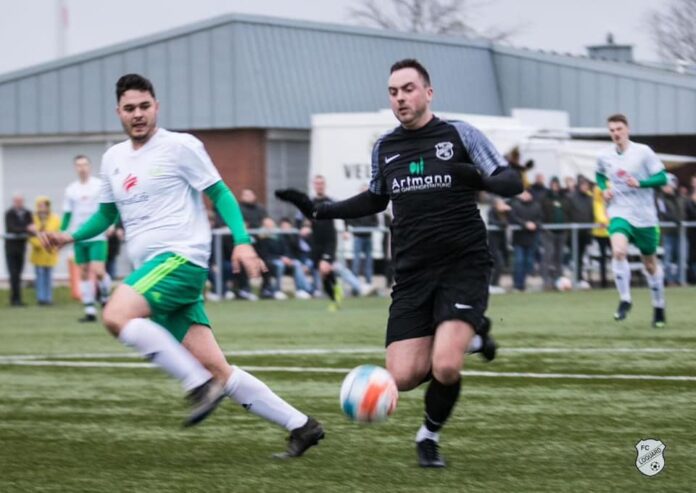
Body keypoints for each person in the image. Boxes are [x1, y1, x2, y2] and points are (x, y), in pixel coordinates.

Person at [41, 73, 323, 457]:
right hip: (161, 273)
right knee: (220, 370)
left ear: (156, 106)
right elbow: (106, 216)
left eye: (144, 106)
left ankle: (196, 384)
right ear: (118, 112)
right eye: (129, 108)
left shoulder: (180, 146)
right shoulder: (113, 159)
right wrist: (69, 236)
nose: (138, 114)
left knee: (115, 315)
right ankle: (302, 426)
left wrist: (242, 242)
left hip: (179, 259)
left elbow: (220, 193)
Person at [276, 59, 521, 467]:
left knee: (444, 365)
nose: (400, 98)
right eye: (393, 92)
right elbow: (374, 199)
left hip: (463, 263)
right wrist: (320, 210)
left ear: (428, 92)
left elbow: (511, 181)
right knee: (404, 377)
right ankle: (475, 337)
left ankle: (428, 437)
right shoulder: (385, 147)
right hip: (412, 273)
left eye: (408, 89)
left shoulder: (460, 134)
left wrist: (478, 179)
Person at [596, 113, 668, 327]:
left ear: (627, 129)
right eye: (612, 130)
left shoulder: (643, 152)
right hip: (620, 211)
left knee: (650, 265)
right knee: (618, 251)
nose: (615, 133)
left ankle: (659, 306)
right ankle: (625, 300)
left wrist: (641, 183)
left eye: (619, 129)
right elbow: (600, 175)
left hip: (645, 216)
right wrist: (604, 189)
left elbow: (663, 177)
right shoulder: (604, 155)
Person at [61, 155, 113, 321]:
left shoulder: (98, 185)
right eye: (78, 165)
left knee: (99, 271)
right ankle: (90, 310)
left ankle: (105, 298)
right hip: (78, 236)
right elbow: (67, 214)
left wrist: (111, 225)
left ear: (90, 167)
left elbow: (110, 208)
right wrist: (61, 232)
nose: (82, 168)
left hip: (97, 236)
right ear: (75, 168)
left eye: (84, 165)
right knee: (83, 272)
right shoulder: (71, 189)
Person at [509, 189, 543, 291]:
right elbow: (513, 218)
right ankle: (517, 284)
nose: (524, 195)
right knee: (519, 262)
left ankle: (522, 284)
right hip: (519, 239)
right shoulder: (515, 205)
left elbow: (540, 219)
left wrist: (534, 224)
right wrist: (525, 224)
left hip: (531, 239)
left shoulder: (537, 206)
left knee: (528, 262)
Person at [29, 196, 61, 305]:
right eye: (41, 205)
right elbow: (31, 236)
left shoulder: (55, 218)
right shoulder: (33, 219)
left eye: (45, 205)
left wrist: (54, 245)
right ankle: (41, 298)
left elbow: (58, 233)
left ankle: (48, 298)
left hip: (50, 252)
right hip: (38, 253)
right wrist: (39, 244)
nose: (43, 208)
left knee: (49, 276)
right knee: (40, 276)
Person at [346, 184, 378, 288]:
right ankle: (355, 286)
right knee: (356, 261)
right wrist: (358, 227)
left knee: (369, 261)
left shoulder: (372, 206)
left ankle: (369, 284)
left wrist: (368, 227)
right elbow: (349, 219)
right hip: (358, 237)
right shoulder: (355, 205)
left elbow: (375, 222)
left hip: (368, 237)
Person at [540, 177, 569, 290]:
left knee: (559, 257)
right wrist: (544, 227)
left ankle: (558, 280)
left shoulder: (564, 198)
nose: (555, 187)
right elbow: (541, 213)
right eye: (553, 184)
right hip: (548, 231)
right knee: (548, 255)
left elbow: (568, 212)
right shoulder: (545, 198)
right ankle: (546, 280)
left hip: (562, 232)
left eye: (557, 184)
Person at [4, 193, 33, 306]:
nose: (19, 203)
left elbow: (32, 227)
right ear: (14, 202)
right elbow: (12, 228)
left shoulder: (27, 213)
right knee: (13, 274)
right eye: (17, 201)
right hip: (11, 249)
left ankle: (18, 300)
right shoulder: (9, 213)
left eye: (20, 201)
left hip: (21, 247)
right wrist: (25, 228)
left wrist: (25, 229)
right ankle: (14, 299)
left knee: (19, 273)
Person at [566, 176, 594, 289]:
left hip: (585, 232)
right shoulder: (571, 197)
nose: (585, 187)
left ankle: (579, 278)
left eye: (586, 185)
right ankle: (574, 278)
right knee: (574, 256)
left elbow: (591, 214)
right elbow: (568, 213)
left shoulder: (589, 198)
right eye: (583, 185)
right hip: (573, 233)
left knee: (581, 256)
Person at [656, 174, 683, 285]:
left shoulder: (678, 198)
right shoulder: (660, 198)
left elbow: (682, 212)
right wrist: (675, 220)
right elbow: (663, 213)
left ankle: (679, 279)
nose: (669, 187)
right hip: (667, 232)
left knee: (679, 257)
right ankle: (668, 279)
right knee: (667, 257)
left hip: (679, 232)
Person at [592, 181, 611, 288]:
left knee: (616, 256)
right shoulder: (597, 203)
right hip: (600, 234)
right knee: (603, 257)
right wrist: (608, 221)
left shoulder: (609, 203)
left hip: (610, 233)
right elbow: (600, 218)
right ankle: (604, 281)